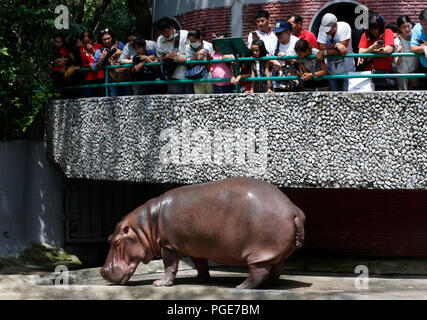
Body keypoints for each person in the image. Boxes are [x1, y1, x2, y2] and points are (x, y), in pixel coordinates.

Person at [316, 13, 355, 91]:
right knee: (335, 96)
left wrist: (325, 52)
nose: (326, 32)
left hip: (347, 69)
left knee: (347, 95)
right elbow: (321, 48)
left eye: (328, 29)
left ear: (335, 25)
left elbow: (343, 50)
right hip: (331, 70)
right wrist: (336, 45)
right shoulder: (322, 30)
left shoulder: (344, 27)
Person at [155, 17, 193, 94]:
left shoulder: (185, 34)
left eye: (167, 32)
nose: (165, 35)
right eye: (162, 33)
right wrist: (166, 56)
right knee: (175, 99)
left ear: (172, 28)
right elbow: (160, 57)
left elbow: (193, 51)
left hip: (188, 73)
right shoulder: (160, 40)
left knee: (190, 98)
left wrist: (185, 58)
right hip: (172, 75)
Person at [358, 15, 395, 90]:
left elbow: (389, 50)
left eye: (376, 29)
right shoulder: (365, 35)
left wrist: (370, 51)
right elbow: (360, 53)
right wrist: (372, 48)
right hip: (368, 73)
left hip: (385, 73)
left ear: (381, 27)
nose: (374, 31)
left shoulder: (388, 32)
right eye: (371, 29)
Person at [93, 28, 130, 96]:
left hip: (124, 77)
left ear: (112, 37)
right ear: (101, 40)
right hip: (111, 79)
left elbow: (131, 57)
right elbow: (95, 68)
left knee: (127, 97)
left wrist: (121, 53)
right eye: (104, 39)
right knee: (113, 98)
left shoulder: (120, 45)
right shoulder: (99, 51)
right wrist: (102, 58)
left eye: (108, 38)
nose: (107, 41)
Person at [270, 20, 301, 92]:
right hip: (277, 83)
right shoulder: (274, 42)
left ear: (287, 31)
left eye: (279, 33)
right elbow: (267, 54)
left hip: (294, 82)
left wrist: (288, 58)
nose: (277, 36)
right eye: (276, 33)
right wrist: (274, 61)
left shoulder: (297, 42)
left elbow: (302, 61)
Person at [185, 30, 215, 94]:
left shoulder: (209, 45)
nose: (192, 43)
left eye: (194, 41)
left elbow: (213, 60)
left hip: (209, 75)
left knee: (211, 94)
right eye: (190, 41)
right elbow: (189, 64)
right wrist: (196, 55)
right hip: (196, 75)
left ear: (200, 38)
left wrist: (206, 56)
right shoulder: (188, 48)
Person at [394, 16, 419, 90]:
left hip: (414, 70)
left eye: (408, 26)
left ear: (411, 25)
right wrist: (400, 53)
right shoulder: (397, 41)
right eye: (404, 27)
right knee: (403, 95)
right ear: (399, 28)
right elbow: (397, 63)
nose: (407, 29)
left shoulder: (415, 37)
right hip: (402, 73)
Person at [410, 9, 427, 89]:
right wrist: (423, 48)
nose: (424, 27)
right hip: (423, 66)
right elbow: (412, 47)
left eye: (426, 24)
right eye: (422, 24)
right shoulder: (417, 28)